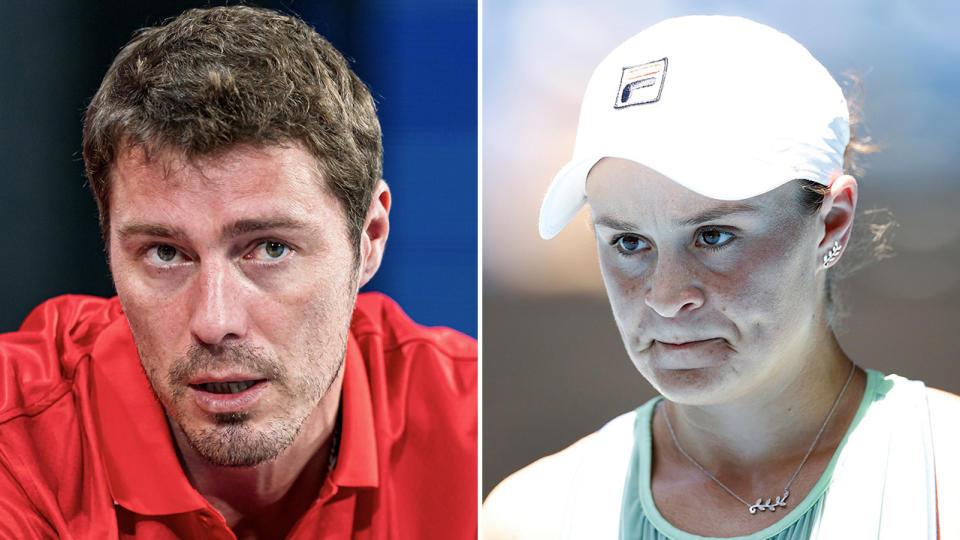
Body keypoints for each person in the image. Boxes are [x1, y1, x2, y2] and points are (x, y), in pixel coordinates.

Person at [0, 6, 476, 539]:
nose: (214, 320)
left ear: (369, 239)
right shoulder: (16, 440)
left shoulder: (477, 433)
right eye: (164, 253)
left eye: (270, 248)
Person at [483, 15, 958, 539]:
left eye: (713, 236)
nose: (665, 298)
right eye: (629, 242)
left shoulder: (947, 474)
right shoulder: (531, 517)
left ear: (831, 223)